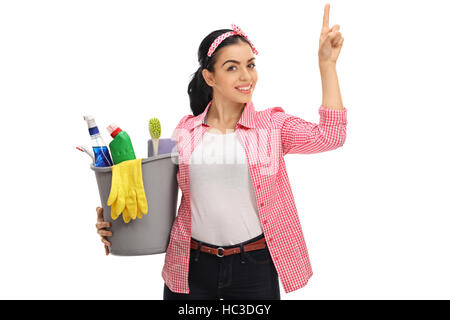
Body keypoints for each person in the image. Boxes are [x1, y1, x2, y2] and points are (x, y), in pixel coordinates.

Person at [96, 4, 347, 300]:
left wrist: (327, 65)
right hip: (190, 268)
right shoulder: (185, 131)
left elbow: (331, 136)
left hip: (254, 267)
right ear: (210, 77)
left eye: (250, 65)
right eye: (232, 67)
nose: (246, 76)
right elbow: (153, 193)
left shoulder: (272, 126)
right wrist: (115, 221)